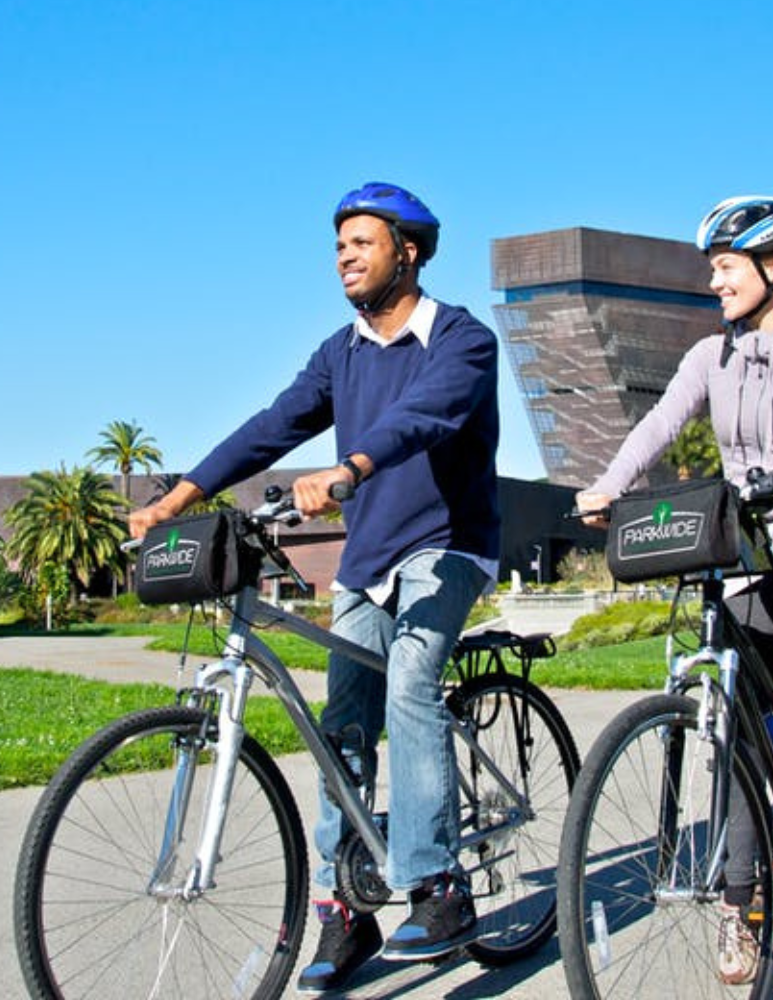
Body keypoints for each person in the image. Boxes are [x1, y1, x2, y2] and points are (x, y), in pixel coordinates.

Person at [126, 182, 501, 995]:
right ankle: (345, 906)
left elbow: (430, 416)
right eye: (337, 247)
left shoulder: (461, 338)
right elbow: (272, 424)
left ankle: (438, 888)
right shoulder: (343, 351)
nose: (344, 258)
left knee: (408, 684)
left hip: (448, 546)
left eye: (361, 243)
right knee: (342, 726)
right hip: (368, 558)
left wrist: (350, 466)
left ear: (407, 250)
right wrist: (177, 499)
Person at [573, 194, 773, 985]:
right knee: (740, 732)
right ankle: (742, 909)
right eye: (711, 268)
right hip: (748, 537)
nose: (714, 282)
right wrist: (604, 487)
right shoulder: (712, 358)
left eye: (725, 267)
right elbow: (656, 430)